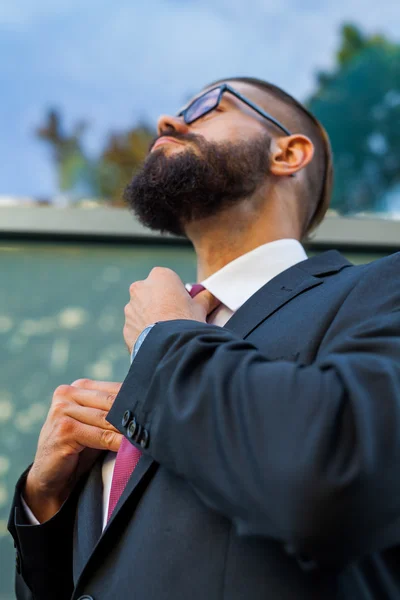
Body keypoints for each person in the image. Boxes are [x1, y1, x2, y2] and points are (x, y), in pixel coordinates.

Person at [8, 77, 400, 600]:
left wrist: (166, 339)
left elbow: (337, 481)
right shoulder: (157, 363)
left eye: (207, 106)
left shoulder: (379, 291)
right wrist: (44, 502)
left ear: (288, 152)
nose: (167, 123)